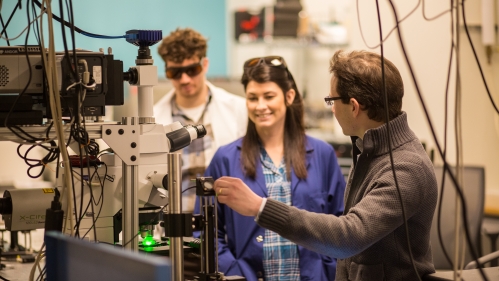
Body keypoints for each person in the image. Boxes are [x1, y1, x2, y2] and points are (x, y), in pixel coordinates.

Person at [213, 50, 439, 280]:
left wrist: (261, 207)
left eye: (332, 100)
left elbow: (348, 235)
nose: (331, 109)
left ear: (353, 106)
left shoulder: (406, 167)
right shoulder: (371, 152)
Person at [202, 56, 346, 281]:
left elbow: (342, 224)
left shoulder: (322, 154)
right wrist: (233, 272)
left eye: (269, 96)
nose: (260, 106)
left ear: (289, 97)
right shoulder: (226, 159)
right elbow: (205, 230)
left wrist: (327, 269)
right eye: (252, 98)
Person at [153, 27, 247, 213]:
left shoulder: (238, 109)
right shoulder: (154, 117)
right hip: (171, 226)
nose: (185, 79)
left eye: (192, 70)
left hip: (222, 224)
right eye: (175, 73)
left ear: (205, 64)